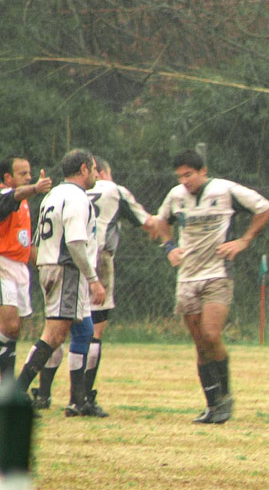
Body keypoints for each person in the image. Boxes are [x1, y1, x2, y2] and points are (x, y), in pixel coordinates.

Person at [154, 149, 269, 424]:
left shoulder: (225, 190)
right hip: (187, 276)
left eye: (189, 174)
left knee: (210, 334)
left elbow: (265, 208)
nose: (184, 181)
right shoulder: (176, 196)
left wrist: (244, 240)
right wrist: (169, 246)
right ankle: (213, 405)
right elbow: (160, 221)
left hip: (217, 274)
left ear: (203, 171)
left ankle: (226, 395)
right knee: (199, 343)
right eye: (180, 176)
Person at [11, 150, 106, 417]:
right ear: (84, 168)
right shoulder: (77, 198)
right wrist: (93, 279)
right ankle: (17, 393)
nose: (97, 174)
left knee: (85, 329)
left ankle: (78, 400)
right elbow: (75, 242)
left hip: (50, 264)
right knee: (53, 334)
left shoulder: (53, 195)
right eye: (95, 169)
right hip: (67, 269)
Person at [62, 158, 160, 411]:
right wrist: (165, 226)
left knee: (61, 328)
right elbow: (147, 222)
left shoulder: (67, 191)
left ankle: (46, 394)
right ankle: (84, 398)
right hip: (99, 259)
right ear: (102, 172)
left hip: (67, 260)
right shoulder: (113, 189)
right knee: (95, 330)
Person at [0, 157, 52, 394]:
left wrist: (44, 265)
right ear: (7, 178)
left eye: (29, 173)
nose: (29, 177)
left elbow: (27, 243)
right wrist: (34, 189)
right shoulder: (5, 196)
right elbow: (12, 197)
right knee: (9, 325)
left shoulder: (24, 204)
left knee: (14, 331)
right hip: (2, 264)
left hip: (19, 267)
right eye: (22, 174)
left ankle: (7, 389)